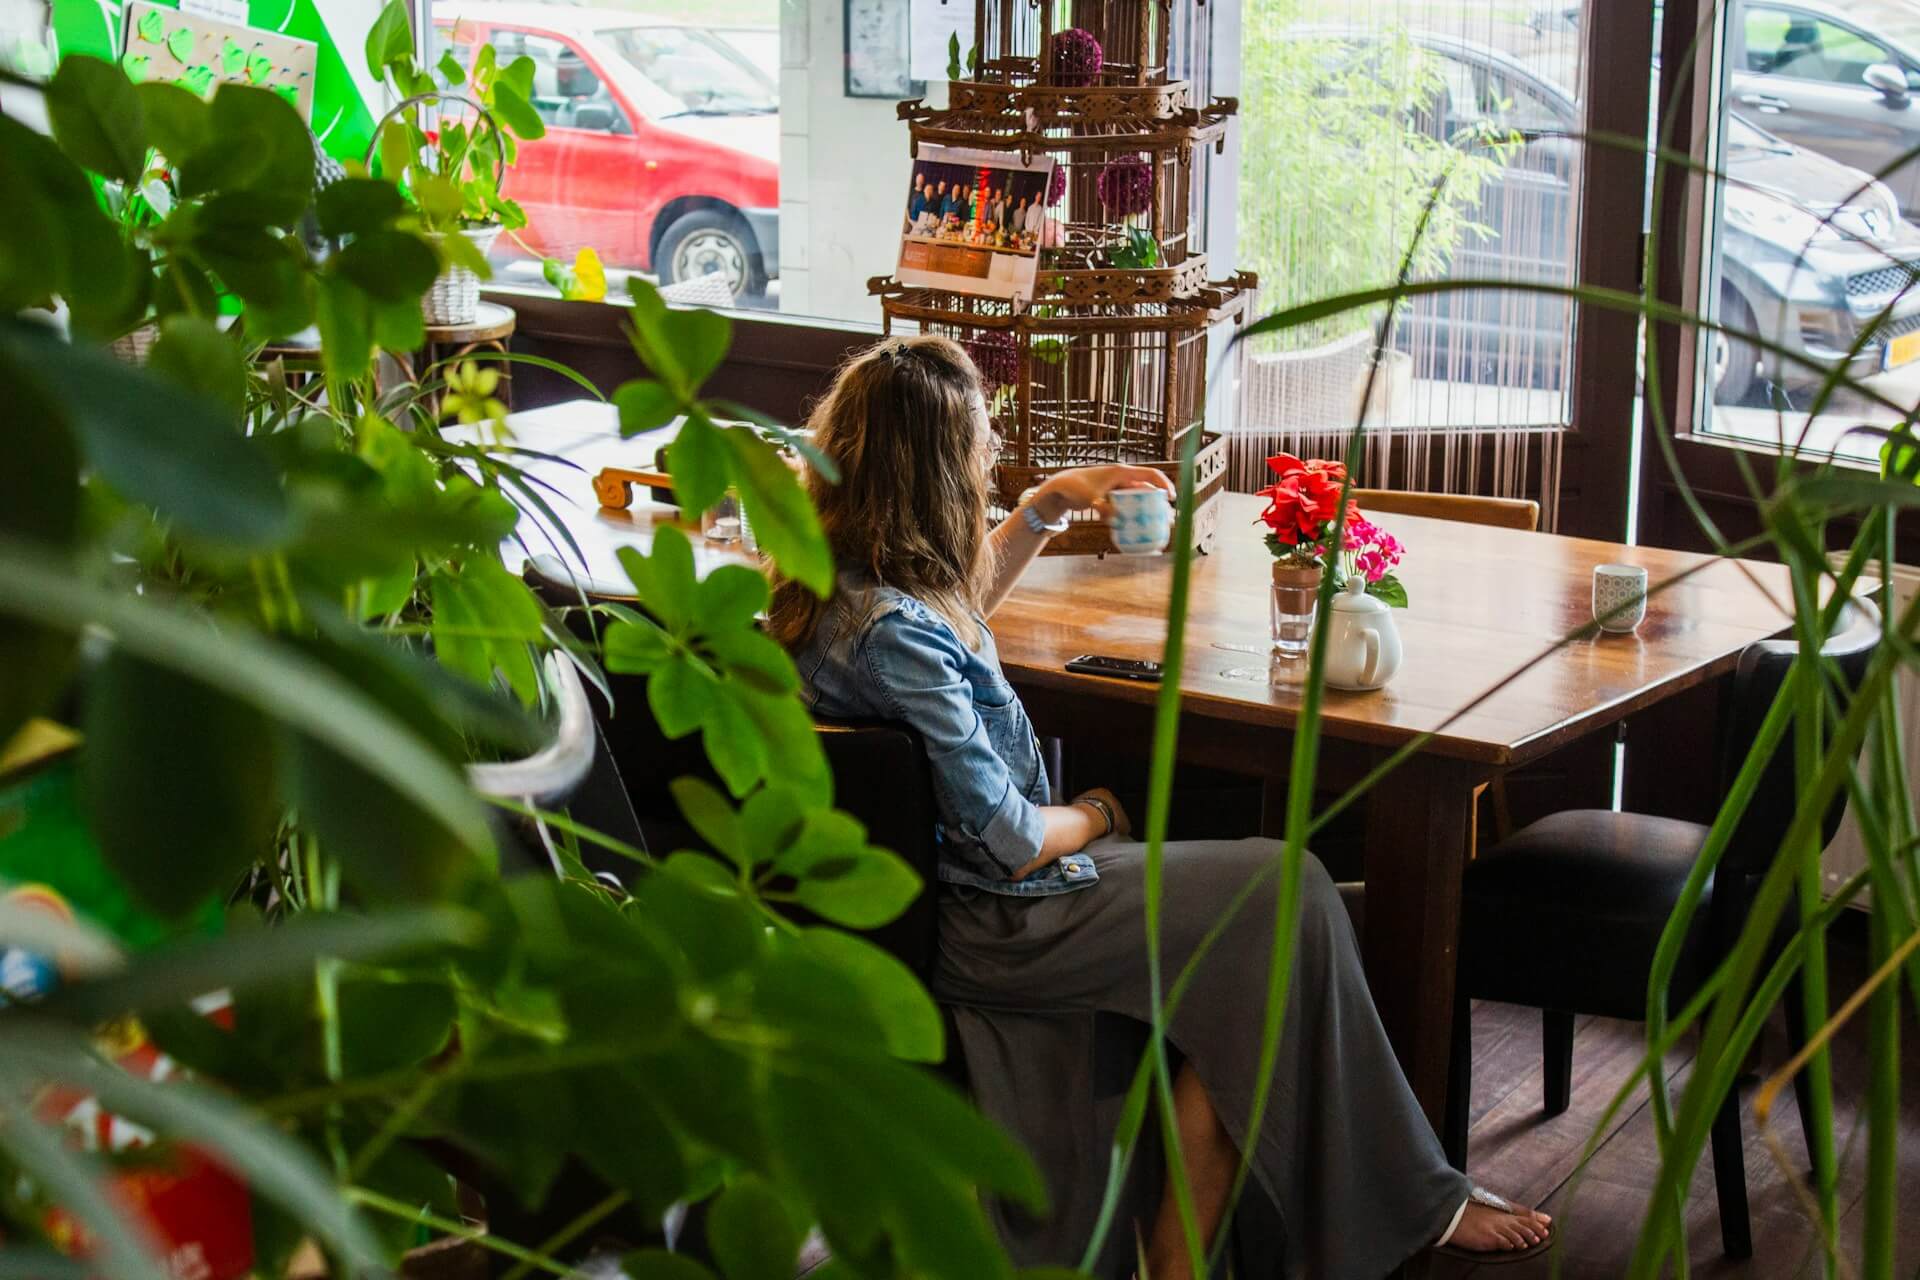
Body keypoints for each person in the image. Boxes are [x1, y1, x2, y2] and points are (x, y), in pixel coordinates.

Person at [769, 337, 1555, 1280]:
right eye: (978, 443)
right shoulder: (897, 639)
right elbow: (1014, 838)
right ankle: (1404, 1202)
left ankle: (1206, 1255)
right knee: (1287, 889)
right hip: (1006, 917)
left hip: (974, 900)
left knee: (1273, 932)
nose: (987, 457)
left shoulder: (842, 590)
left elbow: (953, 611)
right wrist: (1104, 812)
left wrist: (1046, 506)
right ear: (930, 469)